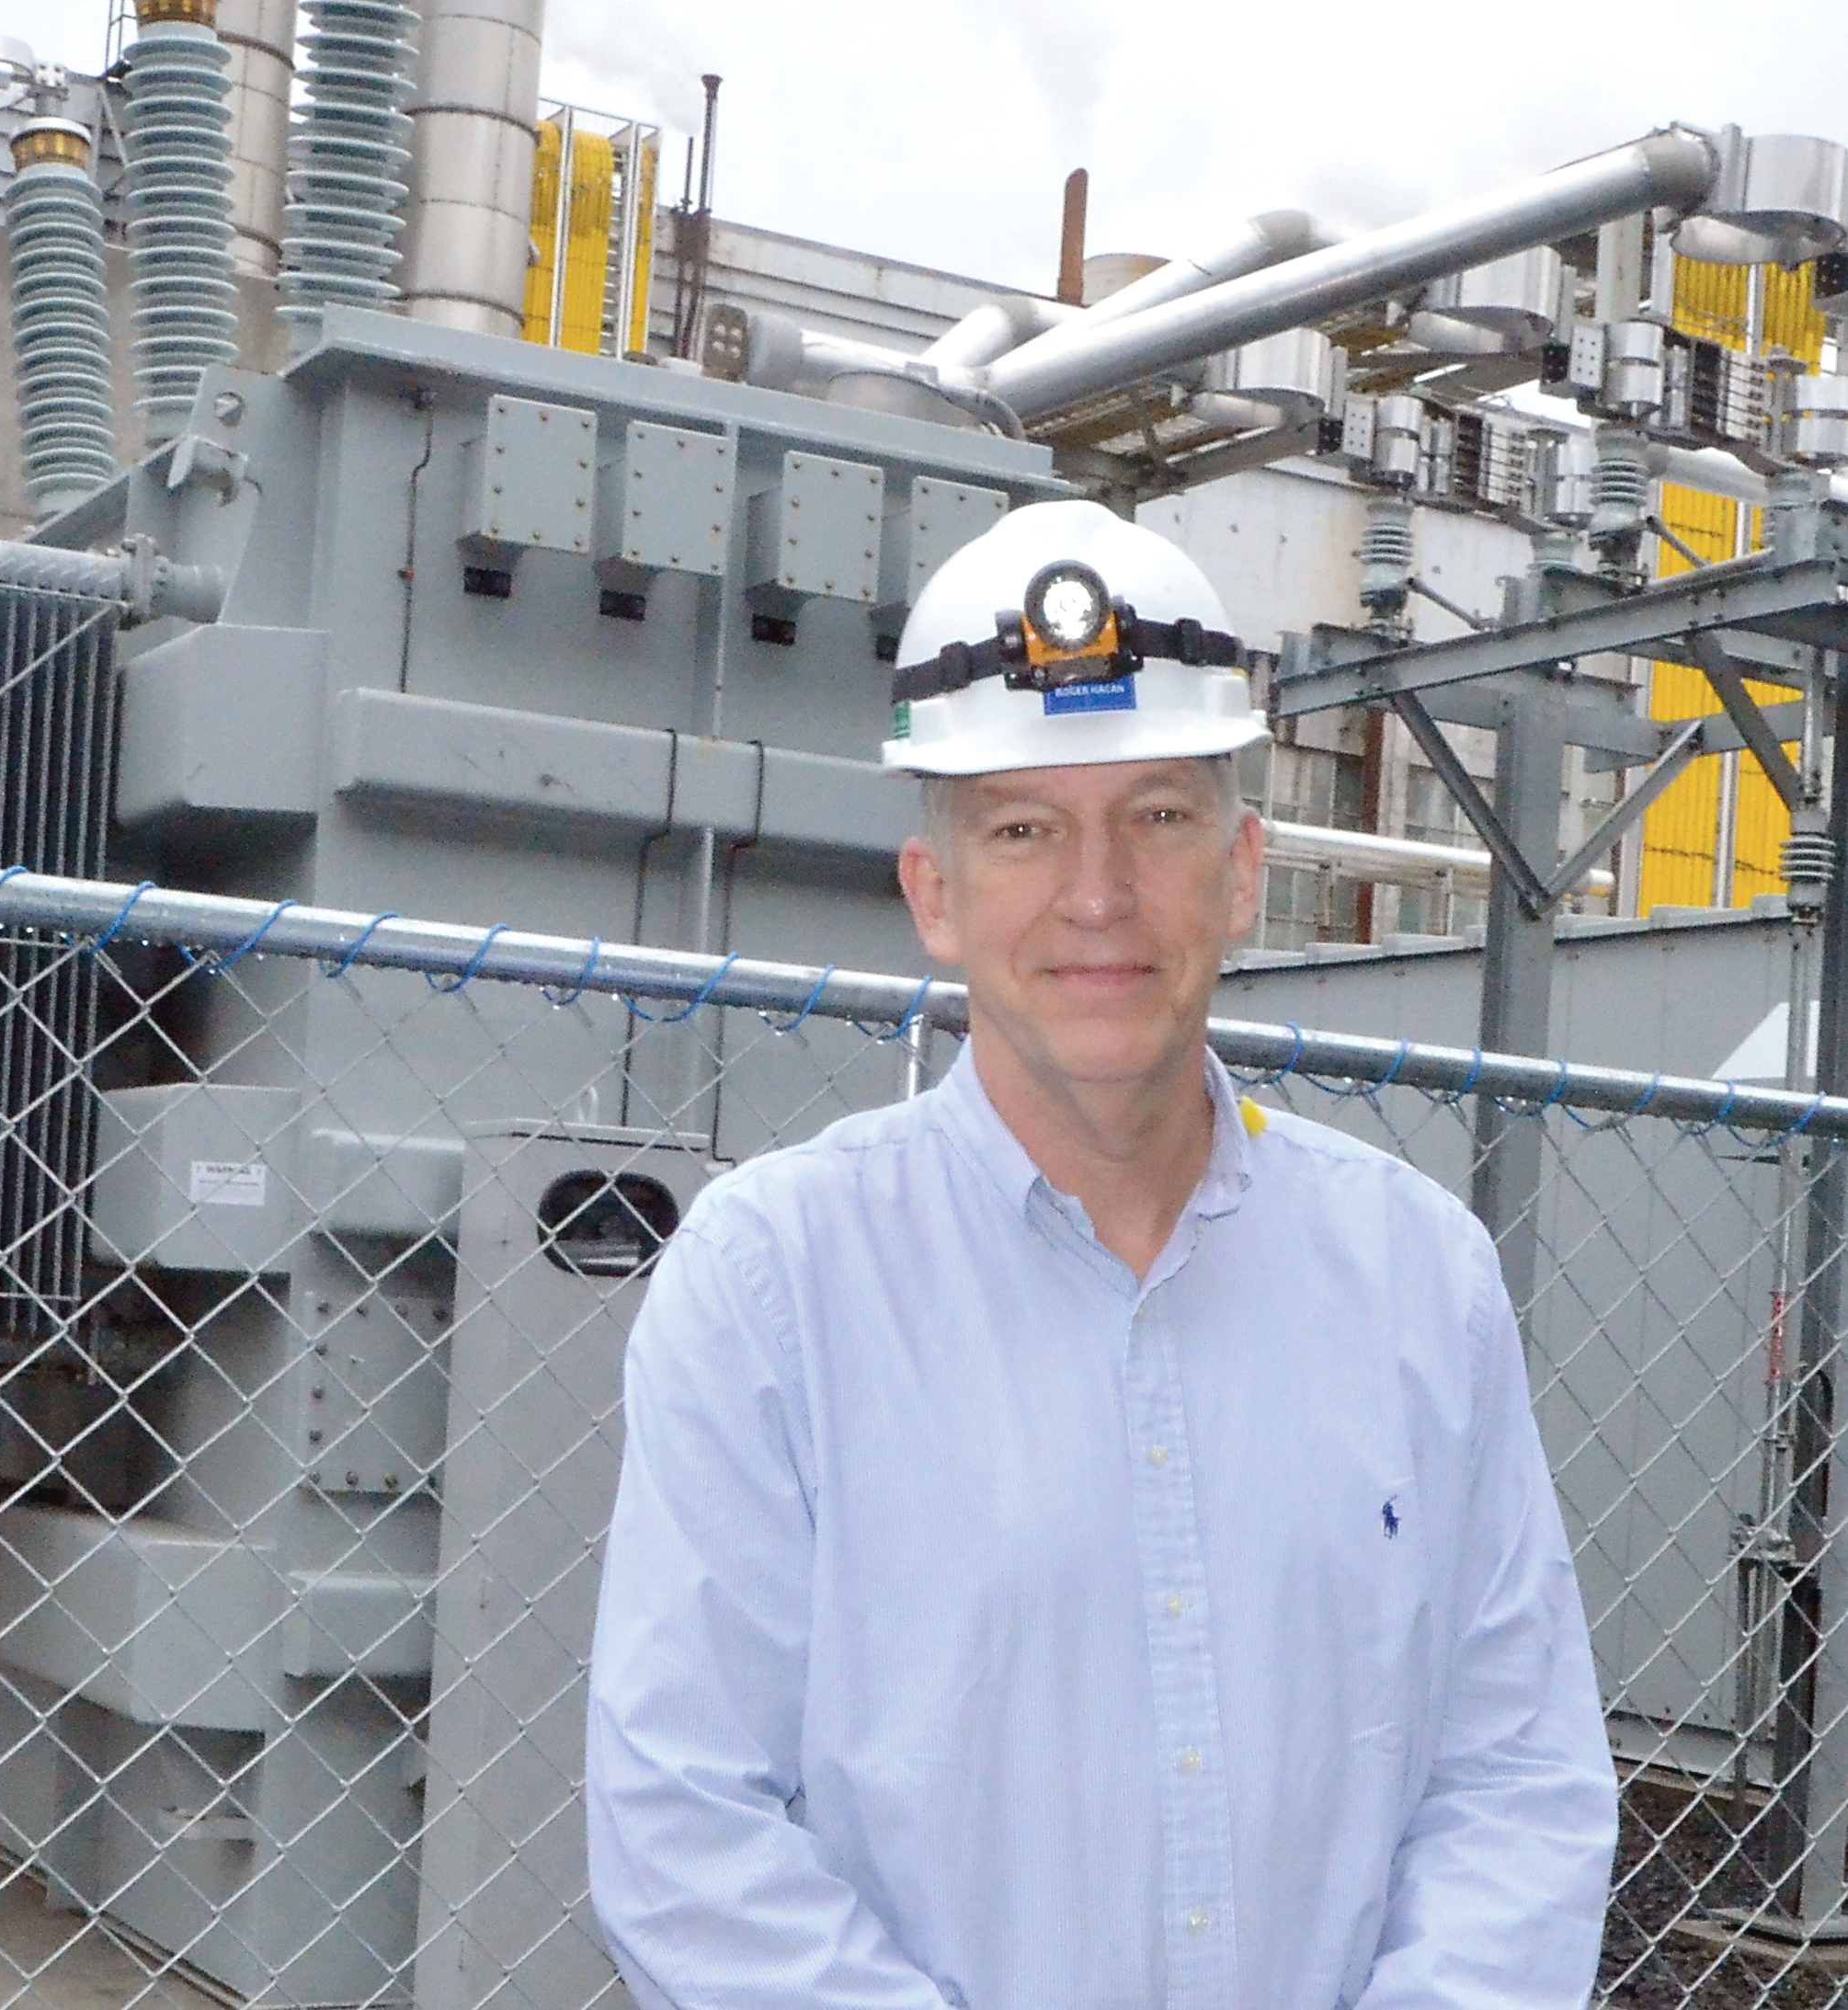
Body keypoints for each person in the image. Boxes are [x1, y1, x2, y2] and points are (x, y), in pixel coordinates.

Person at [584, 500, 1616, 2010]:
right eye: (1022, 828)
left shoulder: (1419, 1280)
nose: (1097, 894)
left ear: (1244, 870)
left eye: (1158, 817)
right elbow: (684, 1826)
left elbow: (1516, 1776)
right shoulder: (773, 1287)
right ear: (935, 894)